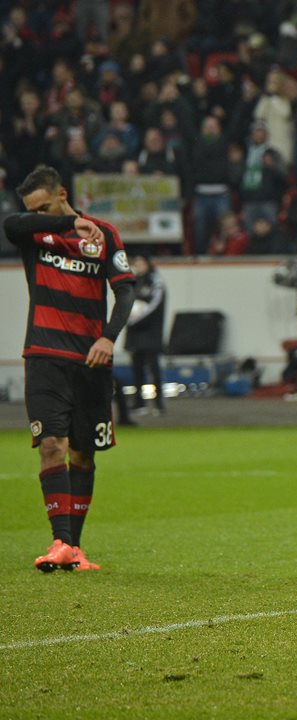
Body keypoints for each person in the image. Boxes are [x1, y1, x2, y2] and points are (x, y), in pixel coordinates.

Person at [3, 165, 136, 572]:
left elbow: (126, 291)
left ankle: (74, 549)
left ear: (62, 192)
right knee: (51, 445)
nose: (39, 216)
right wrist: (67, 221)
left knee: (83, 453)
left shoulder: (105, 234)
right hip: (43, 355)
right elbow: (11, 223)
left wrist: (108, 337)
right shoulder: (35, 232)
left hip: (91, 362)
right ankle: (60, 540)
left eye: (45, 207)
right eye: (35, 210)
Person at [125, 255, 167, 416]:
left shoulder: (156, 282)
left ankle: (158, 404)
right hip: (136, 334)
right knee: (136, 368)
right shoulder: (133, 281)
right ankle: (138, 403)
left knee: (154, 368)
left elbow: (154, 305)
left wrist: (134, 318)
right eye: (137, 263)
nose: (139, 266)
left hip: (151, 333)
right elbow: (126, 301)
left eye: (142, 263)